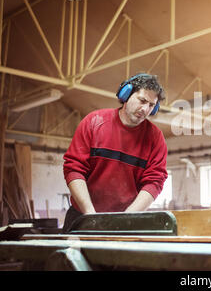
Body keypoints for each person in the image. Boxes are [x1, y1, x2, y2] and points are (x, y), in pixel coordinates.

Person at [62, 73, 168, 232]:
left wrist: (126, 218)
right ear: (126, 94)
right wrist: (89, 214)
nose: (145, 109)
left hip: (127, 220)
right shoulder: (94, 122)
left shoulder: (155, 138)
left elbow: (154, 182)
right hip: (82, 215)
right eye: (142, 100)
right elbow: (74, 168)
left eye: (151, 105)